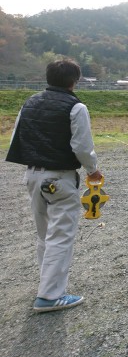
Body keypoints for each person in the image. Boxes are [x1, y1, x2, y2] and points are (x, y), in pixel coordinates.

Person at [6, 58, 103, 312]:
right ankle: (50, 295)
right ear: (74, 81)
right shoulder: (76, 107)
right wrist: (93, 170)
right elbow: (82, 147)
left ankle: (47, 286)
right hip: (59, 179)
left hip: (33, 176)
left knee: (44, 235)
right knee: (61, 236)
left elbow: (18, 136)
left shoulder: (29, 102)